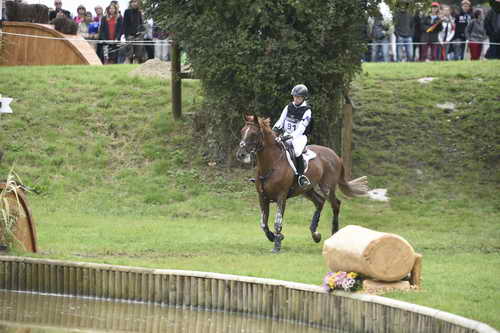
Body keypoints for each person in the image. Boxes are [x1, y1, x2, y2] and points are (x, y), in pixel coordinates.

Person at [272, 84, 313, 187]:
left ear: (303, 98)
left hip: (299, 138)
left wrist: (289, 137)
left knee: (297, 151)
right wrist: (273, 131)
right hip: (286, 134)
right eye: (294, 96)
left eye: (298, 97)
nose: (296, 99)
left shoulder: (307, 111)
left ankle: (301, 176)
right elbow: (280, 121)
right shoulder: (289, 106)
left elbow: (301, 129)